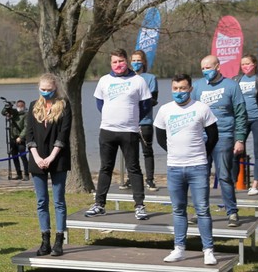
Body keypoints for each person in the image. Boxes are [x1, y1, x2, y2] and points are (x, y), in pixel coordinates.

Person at [154, 74, 219, 265]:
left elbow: (213, 136)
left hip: (198, 167)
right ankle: (179, 248)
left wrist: (202, 154)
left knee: (202, 209)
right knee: (178, 209)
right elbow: (160, 137)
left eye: (182, 88)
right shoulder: (165, 110)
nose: (179, 92)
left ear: (190, 89)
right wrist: (173, 151)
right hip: (174, 168)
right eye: (175, 89)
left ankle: (208, 250)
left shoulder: (201, 108)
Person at [86, 48, 152, 220]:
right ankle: (99, 204)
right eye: (115, 62)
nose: (118, 65)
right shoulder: (104, 80)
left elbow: (145, 106)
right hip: (107, 130)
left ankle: (139, 206)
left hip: (129, 131)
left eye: (121, 61)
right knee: (105, 168)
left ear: (127, 61)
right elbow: (100, 104)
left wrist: (131, 118)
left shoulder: (138, 81)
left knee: (134, 168)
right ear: (111, 63)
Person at [192, 55, 246, 227]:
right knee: (201, 176)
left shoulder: (232, 86)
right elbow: (191, 112)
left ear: (218, 67)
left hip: (224, 136)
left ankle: (232, 212)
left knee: (224, 176)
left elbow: (240, 114)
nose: (206, 70)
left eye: (209, 67)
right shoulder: (198, 86)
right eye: (203, 68)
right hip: (203, 137)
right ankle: (200, 211)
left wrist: (240, 139)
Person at [23, 74, 72, 257]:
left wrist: (51, 157)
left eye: (49, 89)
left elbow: (63, 134)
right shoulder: (33, 106)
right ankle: (45, 240)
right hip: (37, 158)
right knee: (41, 201)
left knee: (58, 200)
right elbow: (29, 134)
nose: (45, 92)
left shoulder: (64, 106)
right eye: (42, 89)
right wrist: (36, 156)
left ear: (55, 88)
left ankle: (59, 240)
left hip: (57, 158)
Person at [126, 50, 160, 191]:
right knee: (130, 152)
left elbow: (153, 100)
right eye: (133, 60)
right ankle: (130, 179)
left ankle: (150, 180)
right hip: (129, 123)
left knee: (147, 151)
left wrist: (138, 104)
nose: (136, 63)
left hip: (145, 122)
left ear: (144, 62)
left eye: (139, 60)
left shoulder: (151, 78)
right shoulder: (126, 78)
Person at [234, 54, 258, 195]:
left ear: (254, 64)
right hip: (241, 120)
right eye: (242, 64)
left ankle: (254, 185)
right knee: (236, 151)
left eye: (247, 63)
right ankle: (234, 183)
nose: (245, 66)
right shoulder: (236, 80)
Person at [3, 100, 29, 181]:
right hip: (12, 138)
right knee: (14, 156)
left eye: (21, 106)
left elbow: (26, 127)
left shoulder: (26, 115)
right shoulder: (13, 113)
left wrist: (21, 137)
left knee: (23, 156)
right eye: (18, 106)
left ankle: (26, 174)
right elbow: (3, 112)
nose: (20, 107)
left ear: (24, 106)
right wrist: (7, 106)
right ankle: (19, 174)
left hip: (21, 139)